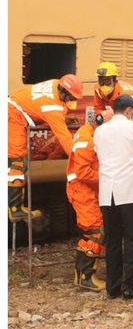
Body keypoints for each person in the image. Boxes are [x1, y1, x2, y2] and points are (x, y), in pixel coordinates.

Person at [94, 94, 133, 300]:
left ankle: (112, 287)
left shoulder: (100, 131)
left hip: (107, 193)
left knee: (111, 241)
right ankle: (129, 286)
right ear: (130, 111)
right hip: (130, 192)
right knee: (131, 239)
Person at [7, 74, 82, 221]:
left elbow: (39, 107)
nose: (72, 101)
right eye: (71, 98)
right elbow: (64, 138)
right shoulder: (52, 107)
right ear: (63, 92)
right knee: (17, 162)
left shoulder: (55, 83)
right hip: (13, 117)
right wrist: (78, 158)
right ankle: (14, 209)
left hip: (13, 110)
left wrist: (63, 119)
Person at [66, 117, 104, 292]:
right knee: (96, 231)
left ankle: (81, 275)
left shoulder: (88, 134)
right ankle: (86, 277)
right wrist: (105, 178)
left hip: (85, 190)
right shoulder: (86, 140)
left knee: (90, 233)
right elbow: (83, 172)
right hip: (82, 191)